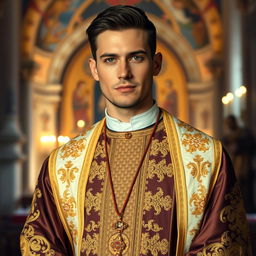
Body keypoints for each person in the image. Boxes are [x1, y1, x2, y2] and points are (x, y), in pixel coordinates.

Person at [20, 5, 251, 256]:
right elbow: (40, 244)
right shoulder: (62, 164)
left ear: (156, 64)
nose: (123, 73)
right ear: (94, 69)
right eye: (110, 60)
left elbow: (223, 246)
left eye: (136, 57)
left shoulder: (207, 157)